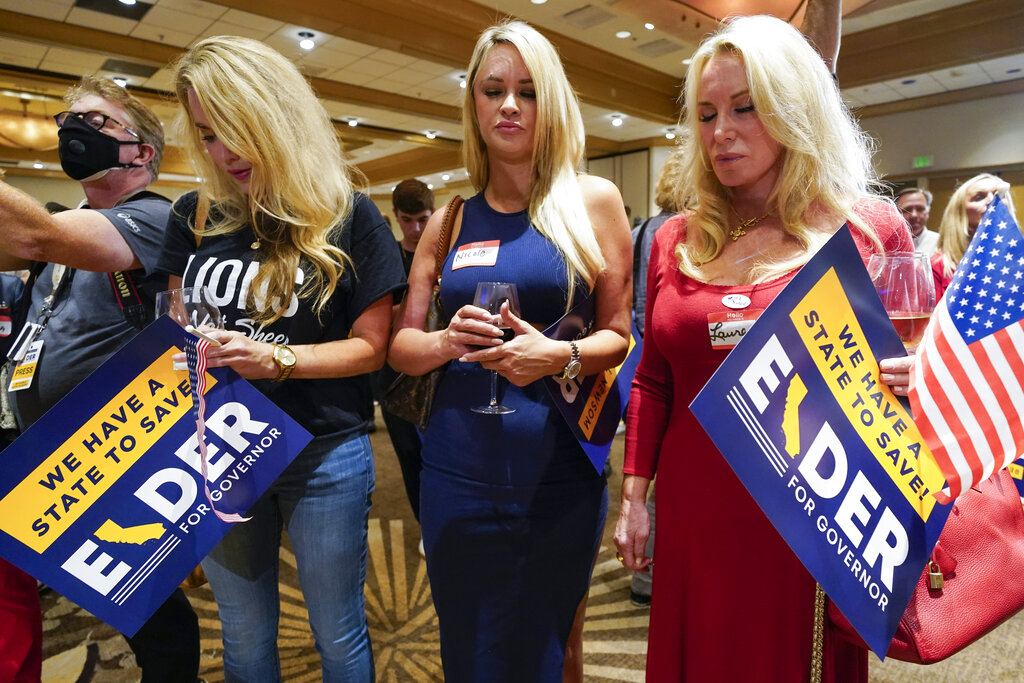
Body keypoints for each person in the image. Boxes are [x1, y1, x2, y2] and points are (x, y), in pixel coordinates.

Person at [612, 16, 913, 682]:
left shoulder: (866, 228)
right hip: (695, 508)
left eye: (745, 108)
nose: (722, 131)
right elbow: (655, 378)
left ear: (793, 106)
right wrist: (635, 497)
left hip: (810, 509)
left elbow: (919, 366)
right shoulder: (676, 240)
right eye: (707, 112)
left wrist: (917, 376)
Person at [388, 20, 632, 682]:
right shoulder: (449, 219)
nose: (510, 106)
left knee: (555, 650)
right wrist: (444, 340)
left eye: (527, 90)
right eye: (493, 89)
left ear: (550, 100)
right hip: (456, 474)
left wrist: (560, 357)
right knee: (468, 652)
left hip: (557, 472)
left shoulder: (594, 203)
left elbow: (620, 333)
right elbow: (402, 348)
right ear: (473, 102)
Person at [160, 36, 405, 682]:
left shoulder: (346, 213)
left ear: (276, 113)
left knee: (337, 630)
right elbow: (174, 328)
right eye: (208, 134)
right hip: (220, 448)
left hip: (323, 450)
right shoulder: (194, 215)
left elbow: (371, 348)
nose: (224, 152)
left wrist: (278, 359)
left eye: (237, 128)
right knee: (241, 634)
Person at [0, 76, 199, 683]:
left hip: (110, 450)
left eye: (95, 121)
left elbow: (41, 236)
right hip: (38, 448)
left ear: (140, 151)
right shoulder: (70, 223)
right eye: (68, 121)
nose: (72, 132)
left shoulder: (153, 218)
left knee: (146, 603)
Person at [376, 179, 433, 521]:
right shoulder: (387, 257)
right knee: (410, 457)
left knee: (444, 456)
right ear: (396, 216)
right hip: (395, 377)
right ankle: (426, 523)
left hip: (442, 368)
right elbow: (374, 319)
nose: (415, 228)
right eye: (407, 219)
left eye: (423, 219)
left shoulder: (447, 251)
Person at [931, 173, 1015, 298]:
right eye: (979, 197)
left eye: (999, 195)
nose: (992, 201)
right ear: (959, 212)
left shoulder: (1018, 257)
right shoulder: (938, 266)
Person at [895, 187, 938, 254]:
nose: (914, 215)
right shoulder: (887, 245)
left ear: (928, 212)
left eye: (920, 209)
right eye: (907, 210)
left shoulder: (941, 243)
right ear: (897, 213)